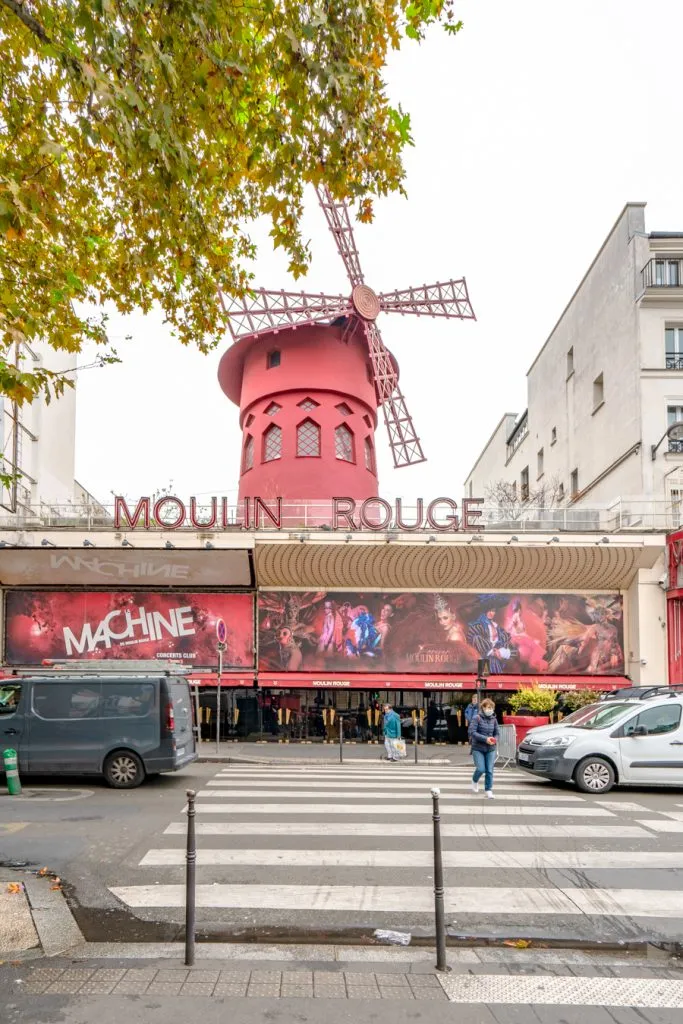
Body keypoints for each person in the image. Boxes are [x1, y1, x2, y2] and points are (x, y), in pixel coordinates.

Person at [469, 697, 499, 799]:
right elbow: (472, 732)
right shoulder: (476, 718)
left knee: (489, 770)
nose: (489, 710)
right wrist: (485, 739)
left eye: (491, 708)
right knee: (481, 769)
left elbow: (497, 733)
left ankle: (488, 790)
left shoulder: (494, 720)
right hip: (478, 748)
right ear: (483, 708)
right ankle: (474, 780)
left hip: (490, 748)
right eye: (488, 707)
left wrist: (494, 739)